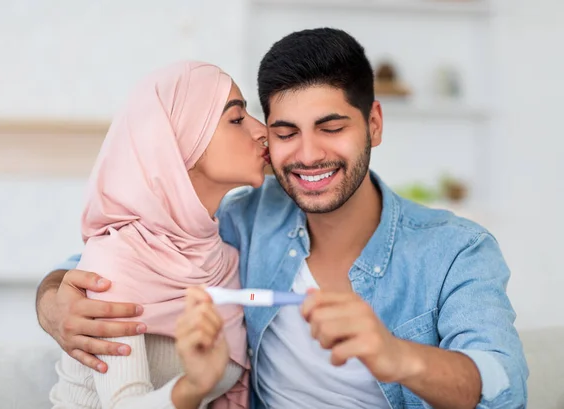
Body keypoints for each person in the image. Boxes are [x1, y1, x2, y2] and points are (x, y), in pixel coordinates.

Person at [37, 28, 528, 408]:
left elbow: (503, 384)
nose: (309, 154)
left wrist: (399, 357)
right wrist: (53, 302)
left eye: (331, 127)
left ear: (373, 124)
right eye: (286, 132)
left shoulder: (456, 249)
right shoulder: (242, 223)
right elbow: (122, 257)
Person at [46, 60, 269, 409]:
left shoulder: (226, 259)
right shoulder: (116, 260)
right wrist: (192, 386)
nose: (262, 131)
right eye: (237, 119)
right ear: (180, 141)